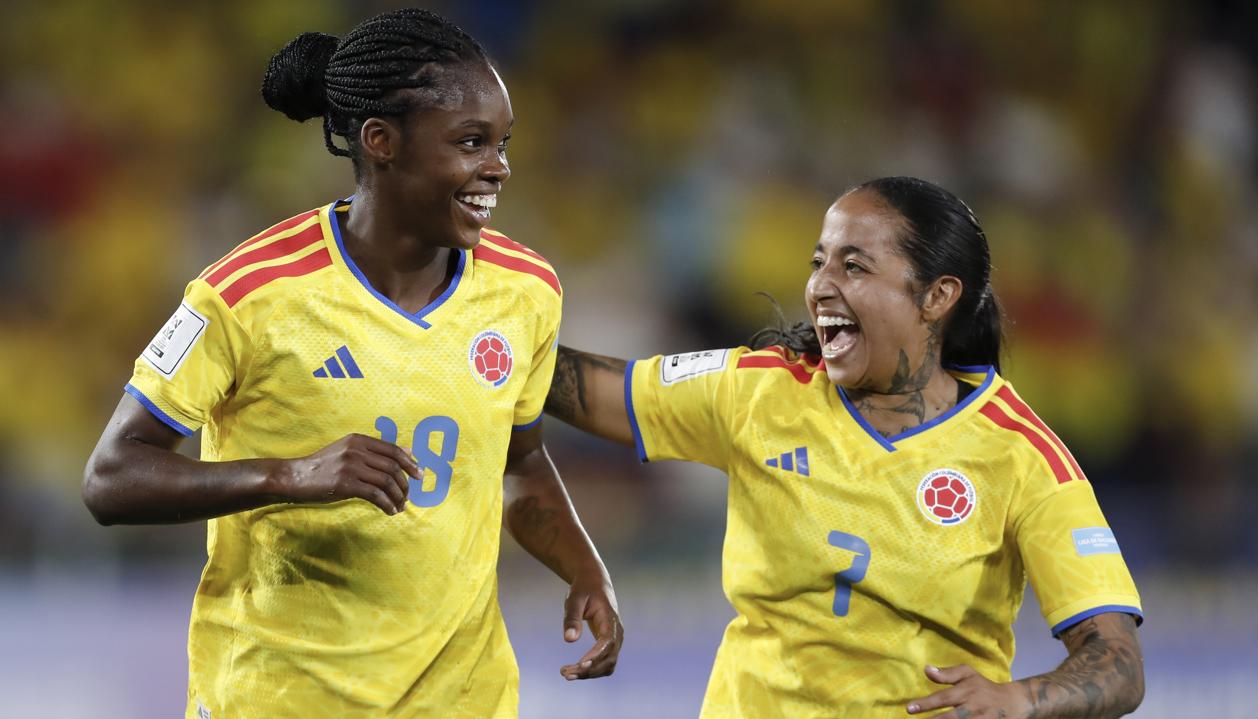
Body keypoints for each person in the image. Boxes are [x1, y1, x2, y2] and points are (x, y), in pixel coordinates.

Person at [82, 9, 622, 718]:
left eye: (502, 143)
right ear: (381, 141)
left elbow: (519, 461)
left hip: (462, 698)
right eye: (471, 142)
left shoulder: (527, 290)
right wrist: (291, 475)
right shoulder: (247, 293)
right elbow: (111, 477)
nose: (498, 168)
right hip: (280, 698)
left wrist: (584, 567)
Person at [544, 176, 1144, 717]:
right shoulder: (759, 391)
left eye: (854, 267)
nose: (820, 286)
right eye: (819, 262)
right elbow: (583, 389)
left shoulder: (1022, 457)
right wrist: (496, 331)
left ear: (937, 297)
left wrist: (1020, 699)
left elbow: (1118, 663)